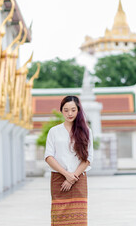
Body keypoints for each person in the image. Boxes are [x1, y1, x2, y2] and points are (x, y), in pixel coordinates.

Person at [44, 95, 94, 225]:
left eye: (73, 110)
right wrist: (67, 175)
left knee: (79, 220)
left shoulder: (86, 131)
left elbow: (88, 158)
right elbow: (48, 156)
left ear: (78, 110)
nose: (69, 113)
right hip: (58, 179)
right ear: (61, 111)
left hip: (79, 179)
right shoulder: (54, 131)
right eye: (66, 110)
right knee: (59, 218)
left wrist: (73, 177)